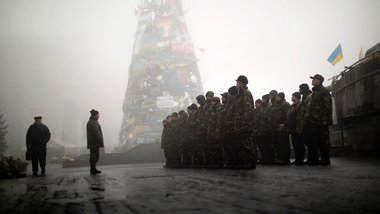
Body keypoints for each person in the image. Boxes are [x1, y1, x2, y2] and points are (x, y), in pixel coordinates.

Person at [309, 74, 333, 165]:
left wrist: (324, 120)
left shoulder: (323, 91)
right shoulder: (316, 92)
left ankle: (326, 159)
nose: (312, 81)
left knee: (324, 140)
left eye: (314, 79)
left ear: (319, 81)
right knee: (319, 140)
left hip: (322, 121)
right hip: (316, 121)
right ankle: (322, 158)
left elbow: (327, 106)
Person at [287, 92, 304, 165]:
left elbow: (299, 116)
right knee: (295, 144)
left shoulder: (299, 105)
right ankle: (297, 159)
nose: (291, 98)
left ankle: (300, 159)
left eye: (292, 96)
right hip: (292, 128)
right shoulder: (292, 106)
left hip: (297, 127)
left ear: (296, 97)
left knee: (299, 144)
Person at [86, 109, 104, 174]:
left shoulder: (91, 122)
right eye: (98, 115)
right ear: (95, 115)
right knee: (94, 156)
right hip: (94, 143)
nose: (99, 116)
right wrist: (101, 140)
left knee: (93, 156)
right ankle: (93, 169)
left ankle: (93, 168)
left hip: (92, 143)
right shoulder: (93, 123)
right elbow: (96, 133)